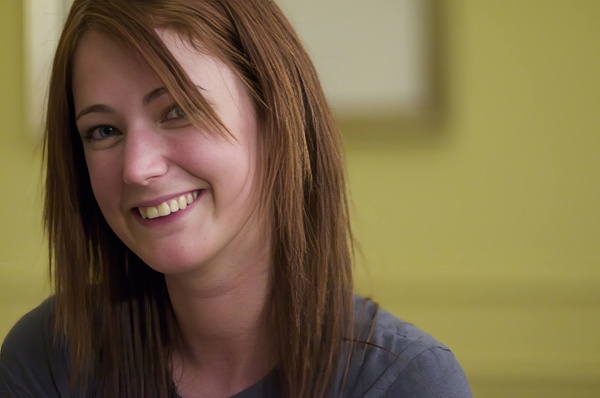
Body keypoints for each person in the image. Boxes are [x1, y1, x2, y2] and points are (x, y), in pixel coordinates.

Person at [0, 1, 471, 397]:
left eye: (178, 110)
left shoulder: (404, 383)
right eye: (103, 131)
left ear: (276, 116)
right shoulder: (47, 359)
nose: (136, 167)